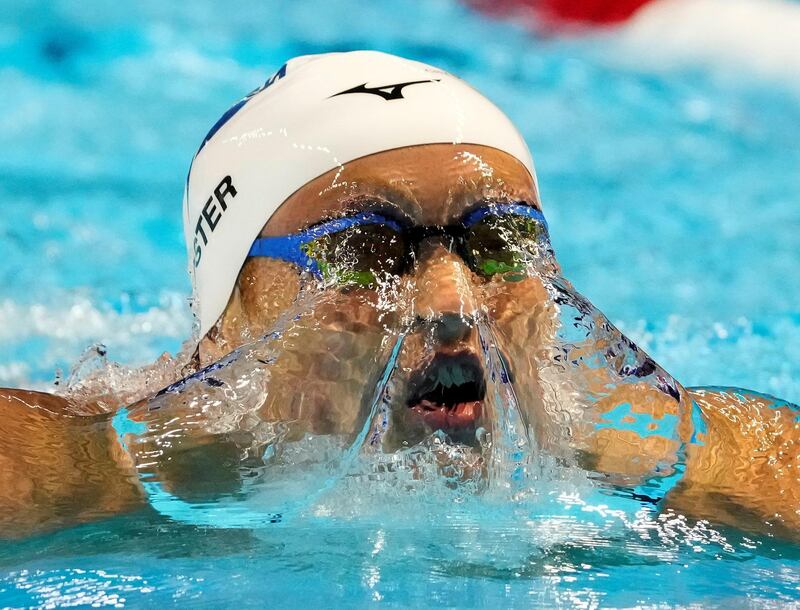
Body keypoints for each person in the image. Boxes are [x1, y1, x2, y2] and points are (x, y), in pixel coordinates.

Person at [0, 51, 797, 538]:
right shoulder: (88, 475)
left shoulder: (673, 459)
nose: (449, 302)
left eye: (499, 245)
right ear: (225, 322)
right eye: (362, 253)